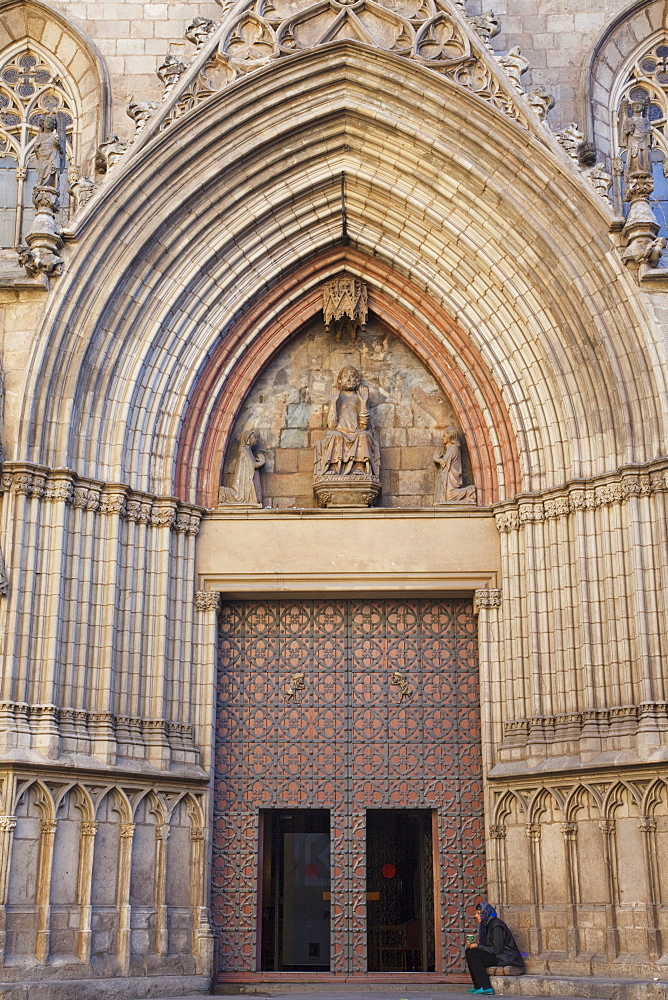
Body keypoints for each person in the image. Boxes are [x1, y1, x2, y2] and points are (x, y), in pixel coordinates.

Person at [465, 901, 525, 995]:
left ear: (485, 914)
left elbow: (497, 950)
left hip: (505, 957)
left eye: (477, 913)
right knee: (469, 951)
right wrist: (474, 945)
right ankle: (478, 986)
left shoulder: (497, 926)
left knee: (474, 953)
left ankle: (486, 987)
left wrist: (478, 946)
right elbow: (487, 946)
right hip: (496, 955)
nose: (475, 916)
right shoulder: (486, 925)